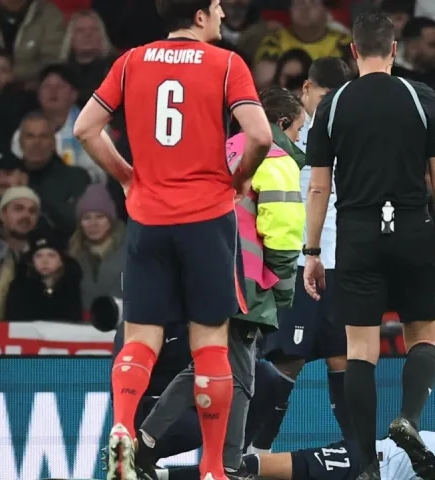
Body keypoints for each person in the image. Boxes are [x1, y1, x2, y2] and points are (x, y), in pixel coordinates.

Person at [72, 0, 273, 478]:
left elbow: (84, 129)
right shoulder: (227, 64)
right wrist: (240, 178)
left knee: (141, 339)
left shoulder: (129, 62)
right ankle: (211, 467)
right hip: (207, 218)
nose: (224, 15)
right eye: (219, 7)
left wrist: (125, 177)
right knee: (209, 346)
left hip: (148, 220)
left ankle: (122, 428)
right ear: (201, 15)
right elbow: (261, 136)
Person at [301, 11, 435, 480]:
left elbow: (318, 187)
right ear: (394, 48)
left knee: (360, 350)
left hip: (357, 236)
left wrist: (311, 253)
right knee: (423, 334)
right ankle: (409, 419)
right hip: (412, 230)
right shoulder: (421, 96)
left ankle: (367, 466)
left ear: (353, 52)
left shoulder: (333, 104)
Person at [133, 86, 308, 480]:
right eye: (298, 129)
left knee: (206, 364)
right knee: (241, 377)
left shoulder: (220, 150)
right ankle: (225, 465)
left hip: (199, 270)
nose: (299, 139)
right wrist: (282, 288)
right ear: (280, 124)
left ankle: (145, 443)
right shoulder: (276, 159)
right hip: (241, 279)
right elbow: (282, 233)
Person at [251, 57, 354, 454]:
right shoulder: (285, 133)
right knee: (286, 361)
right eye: (324, 97)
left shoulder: (352, 135)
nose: (329, 107)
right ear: (306, 90)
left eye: (337, 99)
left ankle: (360, 454)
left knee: (343, 359)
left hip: (341, 264)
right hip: (295, 265)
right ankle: (254, 451)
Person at [159, 399, 435, 480]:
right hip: (380, 459)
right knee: (263, 471)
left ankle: (161, 474)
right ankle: (164, 477)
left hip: (382, 464)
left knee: (271, 469)